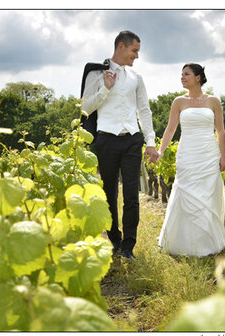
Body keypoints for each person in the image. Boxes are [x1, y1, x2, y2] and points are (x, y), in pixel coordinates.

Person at [82, 30, 159, 260]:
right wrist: (105, 88)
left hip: (132, 140)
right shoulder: (96, 73)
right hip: (106, 140)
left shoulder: (137, 77)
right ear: (121, 47)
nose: (136, 56)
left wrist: (151, 142)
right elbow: (85, 108)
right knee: (108, 194)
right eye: (134, 50)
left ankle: (128, 246)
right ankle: (115, 240)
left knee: (132, 196)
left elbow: (144, 111)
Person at [157, 63, 225, 257]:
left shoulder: (213, 101)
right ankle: (183, 242)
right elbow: (170, 129)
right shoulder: (178, 102)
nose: (182, 77)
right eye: (181, 74)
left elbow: (220, 131)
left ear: (198, 77)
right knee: (186, 192)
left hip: (208, 154)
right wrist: (161, 151)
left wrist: (224, 156)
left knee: (206, 194)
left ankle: (207, 241)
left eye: (186, 74)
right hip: (187, 153)